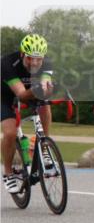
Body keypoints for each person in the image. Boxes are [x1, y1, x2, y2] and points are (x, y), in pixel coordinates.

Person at [2, 34, 55, 194]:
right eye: (30, 58)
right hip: (4, 95)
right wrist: (38, 88)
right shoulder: (7, 64)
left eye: (39, 59)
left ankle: (45, 147)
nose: (35, 63)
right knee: (10, 133)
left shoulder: (47, 63)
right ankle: (8, 173)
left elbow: (45, 85)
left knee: (45, 105)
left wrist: (49, 88)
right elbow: (22, 95)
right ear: (22, 54)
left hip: (30, 90)